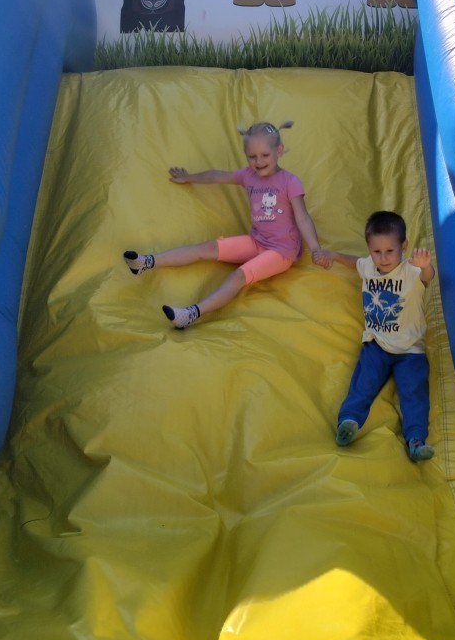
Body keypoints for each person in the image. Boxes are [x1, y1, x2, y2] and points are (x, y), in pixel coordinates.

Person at [124, 120, 323, 328]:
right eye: (252, 156)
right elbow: (216, 176)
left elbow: (302, 217)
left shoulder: (290, 182)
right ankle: (146, 262)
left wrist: (316, 248)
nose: (259, 161)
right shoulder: (248, 176)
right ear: (246, 155)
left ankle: (191, 314)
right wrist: (188, 177)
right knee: (207, 247)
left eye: (265, 155)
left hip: (281, 251)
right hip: (257, 241)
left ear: (279, 150)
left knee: (237, 276)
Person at [315, 211, 435, 462]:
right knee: (362, 383)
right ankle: (348, 422)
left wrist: (425, 265)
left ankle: (416, 440)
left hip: (410, 350)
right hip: (377, 344)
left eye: (390, 251)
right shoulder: (369, 266)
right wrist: (333, 255)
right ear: (369, 249)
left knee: (414, 393)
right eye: (376, 251)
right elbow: (356, 262)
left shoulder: (410, 270)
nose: (383, 258)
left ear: (404, 246)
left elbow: (427, 277)